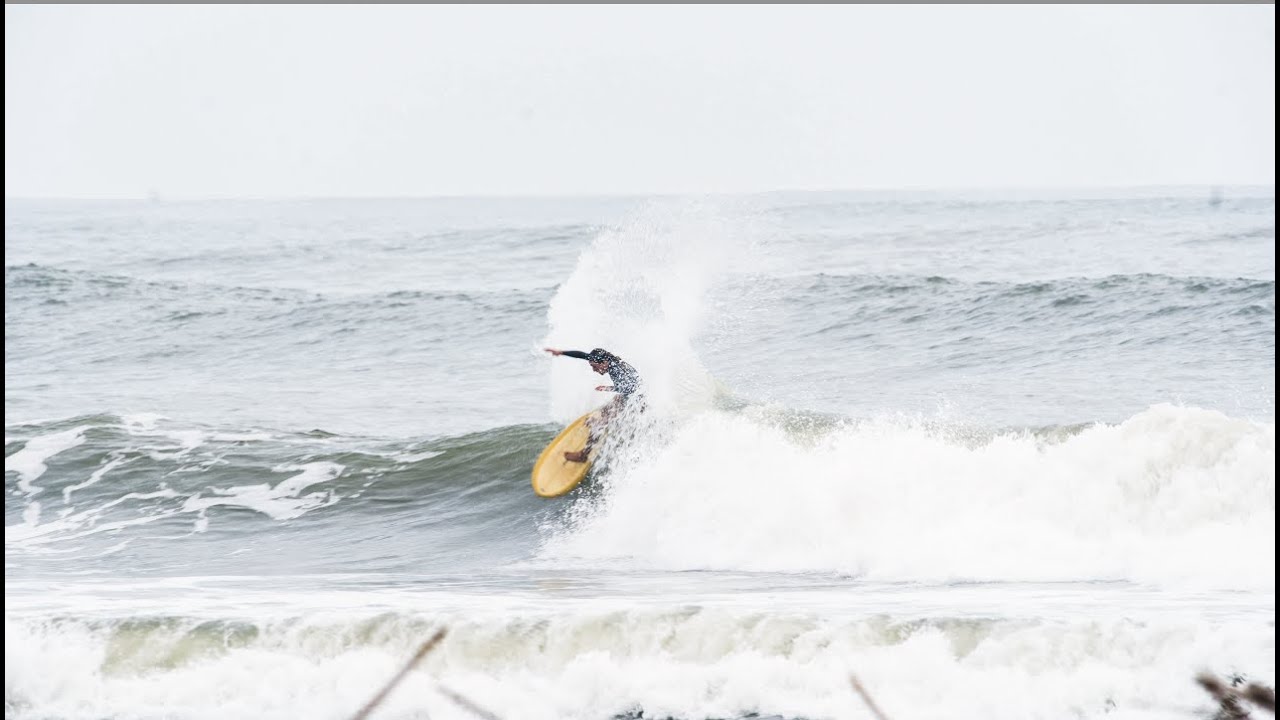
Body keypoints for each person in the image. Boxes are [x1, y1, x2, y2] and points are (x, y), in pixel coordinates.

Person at [544, 347, 642, 462]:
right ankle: (603, 422)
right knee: (606, 409)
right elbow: (581, 354)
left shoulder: (616, 369)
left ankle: (583, 455)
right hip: (630, 397)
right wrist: (561, 353)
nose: (594, 370)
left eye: (595, 367)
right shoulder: (610, 361)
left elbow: (631, 387)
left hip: (636, 404)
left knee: (597, 426)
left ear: (604, 362)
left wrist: (608, 388)